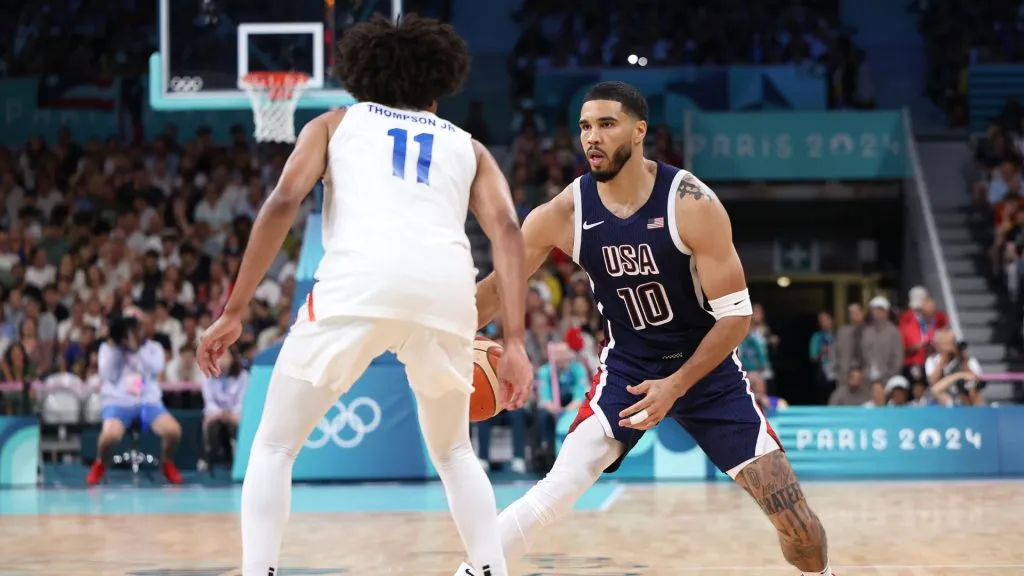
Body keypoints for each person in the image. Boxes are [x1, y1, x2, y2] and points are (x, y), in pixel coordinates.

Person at [196, 15, 533, 576]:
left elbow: (283, 203)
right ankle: (490, 569)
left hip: (358, 286)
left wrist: (234, 310)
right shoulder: (469, 147)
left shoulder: (335, 123)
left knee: (274, 446)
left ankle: (260, 571)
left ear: (362, 76)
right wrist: (516, 341)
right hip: (446, 294)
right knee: (453, 453)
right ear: (440, 80)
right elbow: (508, 229)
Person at [456, 81, 835, 576]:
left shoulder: (692, 203)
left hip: (707, 372)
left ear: (639, 132)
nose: (592, 136)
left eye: (606, 124)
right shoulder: (566, 212)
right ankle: (472, 572)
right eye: (585, 126)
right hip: (629, 368)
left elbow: (737, 318)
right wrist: (432, 331)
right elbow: (491, 290)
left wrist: (676, 386)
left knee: (799, 528)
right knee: (560, 485)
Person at [87, 314, 183, 485]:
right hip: (118, 402)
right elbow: (108, 375)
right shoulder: (108, 348)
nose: (134, 332)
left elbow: (156, 368)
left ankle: (166, 462)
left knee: (173, 431)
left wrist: (136, 350)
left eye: (137, 328)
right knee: (109, 436)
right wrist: (116, 347)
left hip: (148, 402)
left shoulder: (154, 347)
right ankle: (101, 463)